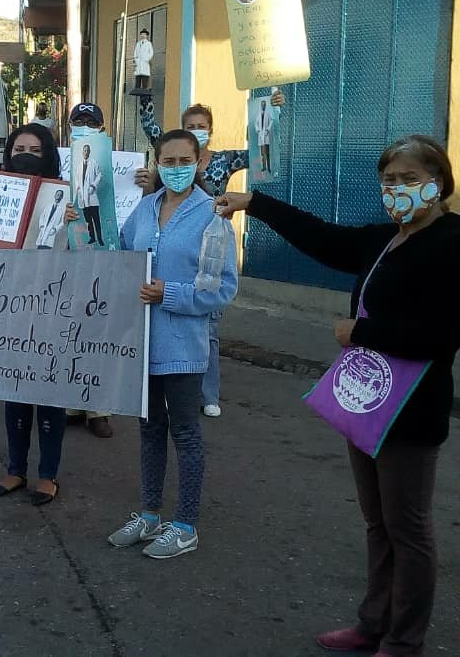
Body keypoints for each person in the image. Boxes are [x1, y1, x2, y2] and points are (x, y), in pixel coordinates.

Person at [216, 135, 458, 656]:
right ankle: (373, 623)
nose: (396, 189)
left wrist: (362, 335)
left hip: (412, 412)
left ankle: (404, 639)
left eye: (409, 179)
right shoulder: (385, 239)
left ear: (438, 185)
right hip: (365, 402)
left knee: (407, 528)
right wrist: (256, 204)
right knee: (378, 522)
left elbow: (441, 338)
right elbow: (322, 239)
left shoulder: (452, 243)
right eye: (389, 180)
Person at [107, 129, 237, 559]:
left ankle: (185, 524)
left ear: (200, 163)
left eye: (185, 161)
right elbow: (120, 257)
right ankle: (148, 513)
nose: (176, 168)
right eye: (169, 161)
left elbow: (222, 288)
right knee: (149, 430)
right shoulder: (144, 210)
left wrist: (172, 294)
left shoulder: (212, 216)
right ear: (156, 162)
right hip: (141, 343)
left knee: (185, 432)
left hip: (183, 346)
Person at [135, 93, 284, 418]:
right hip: (169, 270)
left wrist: (269, 114)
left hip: (212, 245)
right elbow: (123, 248)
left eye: (201, 127)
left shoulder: (222, 161)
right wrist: (144, 91)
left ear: (209, 132)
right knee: (153, 425)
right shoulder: (150, 203)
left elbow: (262, 157)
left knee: (207, 335)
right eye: (191, 126)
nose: (196, 130)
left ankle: (208, 393)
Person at [0, 123, 68, 503]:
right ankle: (15, 470)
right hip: (9, 308)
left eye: (34, 149)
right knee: (15, 389)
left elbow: (91, 250)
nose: (24, 155)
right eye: (18, 147)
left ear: (49, 154)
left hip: (54, 307)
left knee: (51, 393)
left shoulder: (66, 196)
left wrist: (76, 223)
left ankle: (49, 474)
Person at [65, 102, 115, 437]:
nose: (83, 126)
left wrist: (146, 181)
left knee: (99, 331)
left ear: (101, 129)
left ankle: (98, 408)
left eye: (90, 122)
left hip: (103, 258)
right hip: (68, 258)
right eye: (77, 121)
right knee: (70, 331)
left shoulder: (118, 165)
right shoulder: (59, 162)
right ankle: (72, 401)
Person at [132, 29, 154, 94]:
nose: (143, 35)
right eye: (142, 34)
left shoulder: (148, 43)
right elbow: (135, 52)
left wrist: (147, 59)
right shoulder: (138, 44)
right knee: (138, 77)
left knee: (144, 77)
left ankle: (144, 88)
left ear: (146, 35)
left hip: (145, 62)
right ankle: (137, 88)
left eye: (144, 34)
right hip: (138, 62)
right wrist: (135, 59)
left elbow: (151, 53)